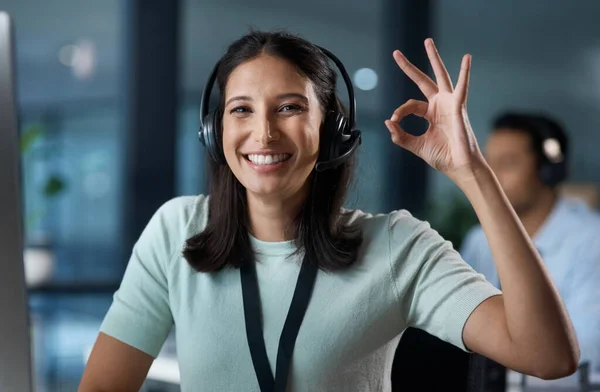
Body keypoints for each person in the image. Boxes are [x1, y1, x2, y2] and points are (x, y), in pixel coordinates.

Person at [79, 30, 579, 392]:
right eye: (242, 109)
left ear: (331, 131)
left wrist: (474, 172)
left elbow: (549, 356)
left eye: (290, 107)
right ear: (215, 132)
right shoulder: (178, 230)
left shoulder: (397, 247)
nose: (264, 134)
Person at [461, 112, 600, 372]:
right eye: (488, 163)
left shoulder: (593, 241)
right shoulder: (478, 239)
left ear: (548, 170)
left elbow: (587, 348)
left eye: (508, 163)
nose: (491, 175)